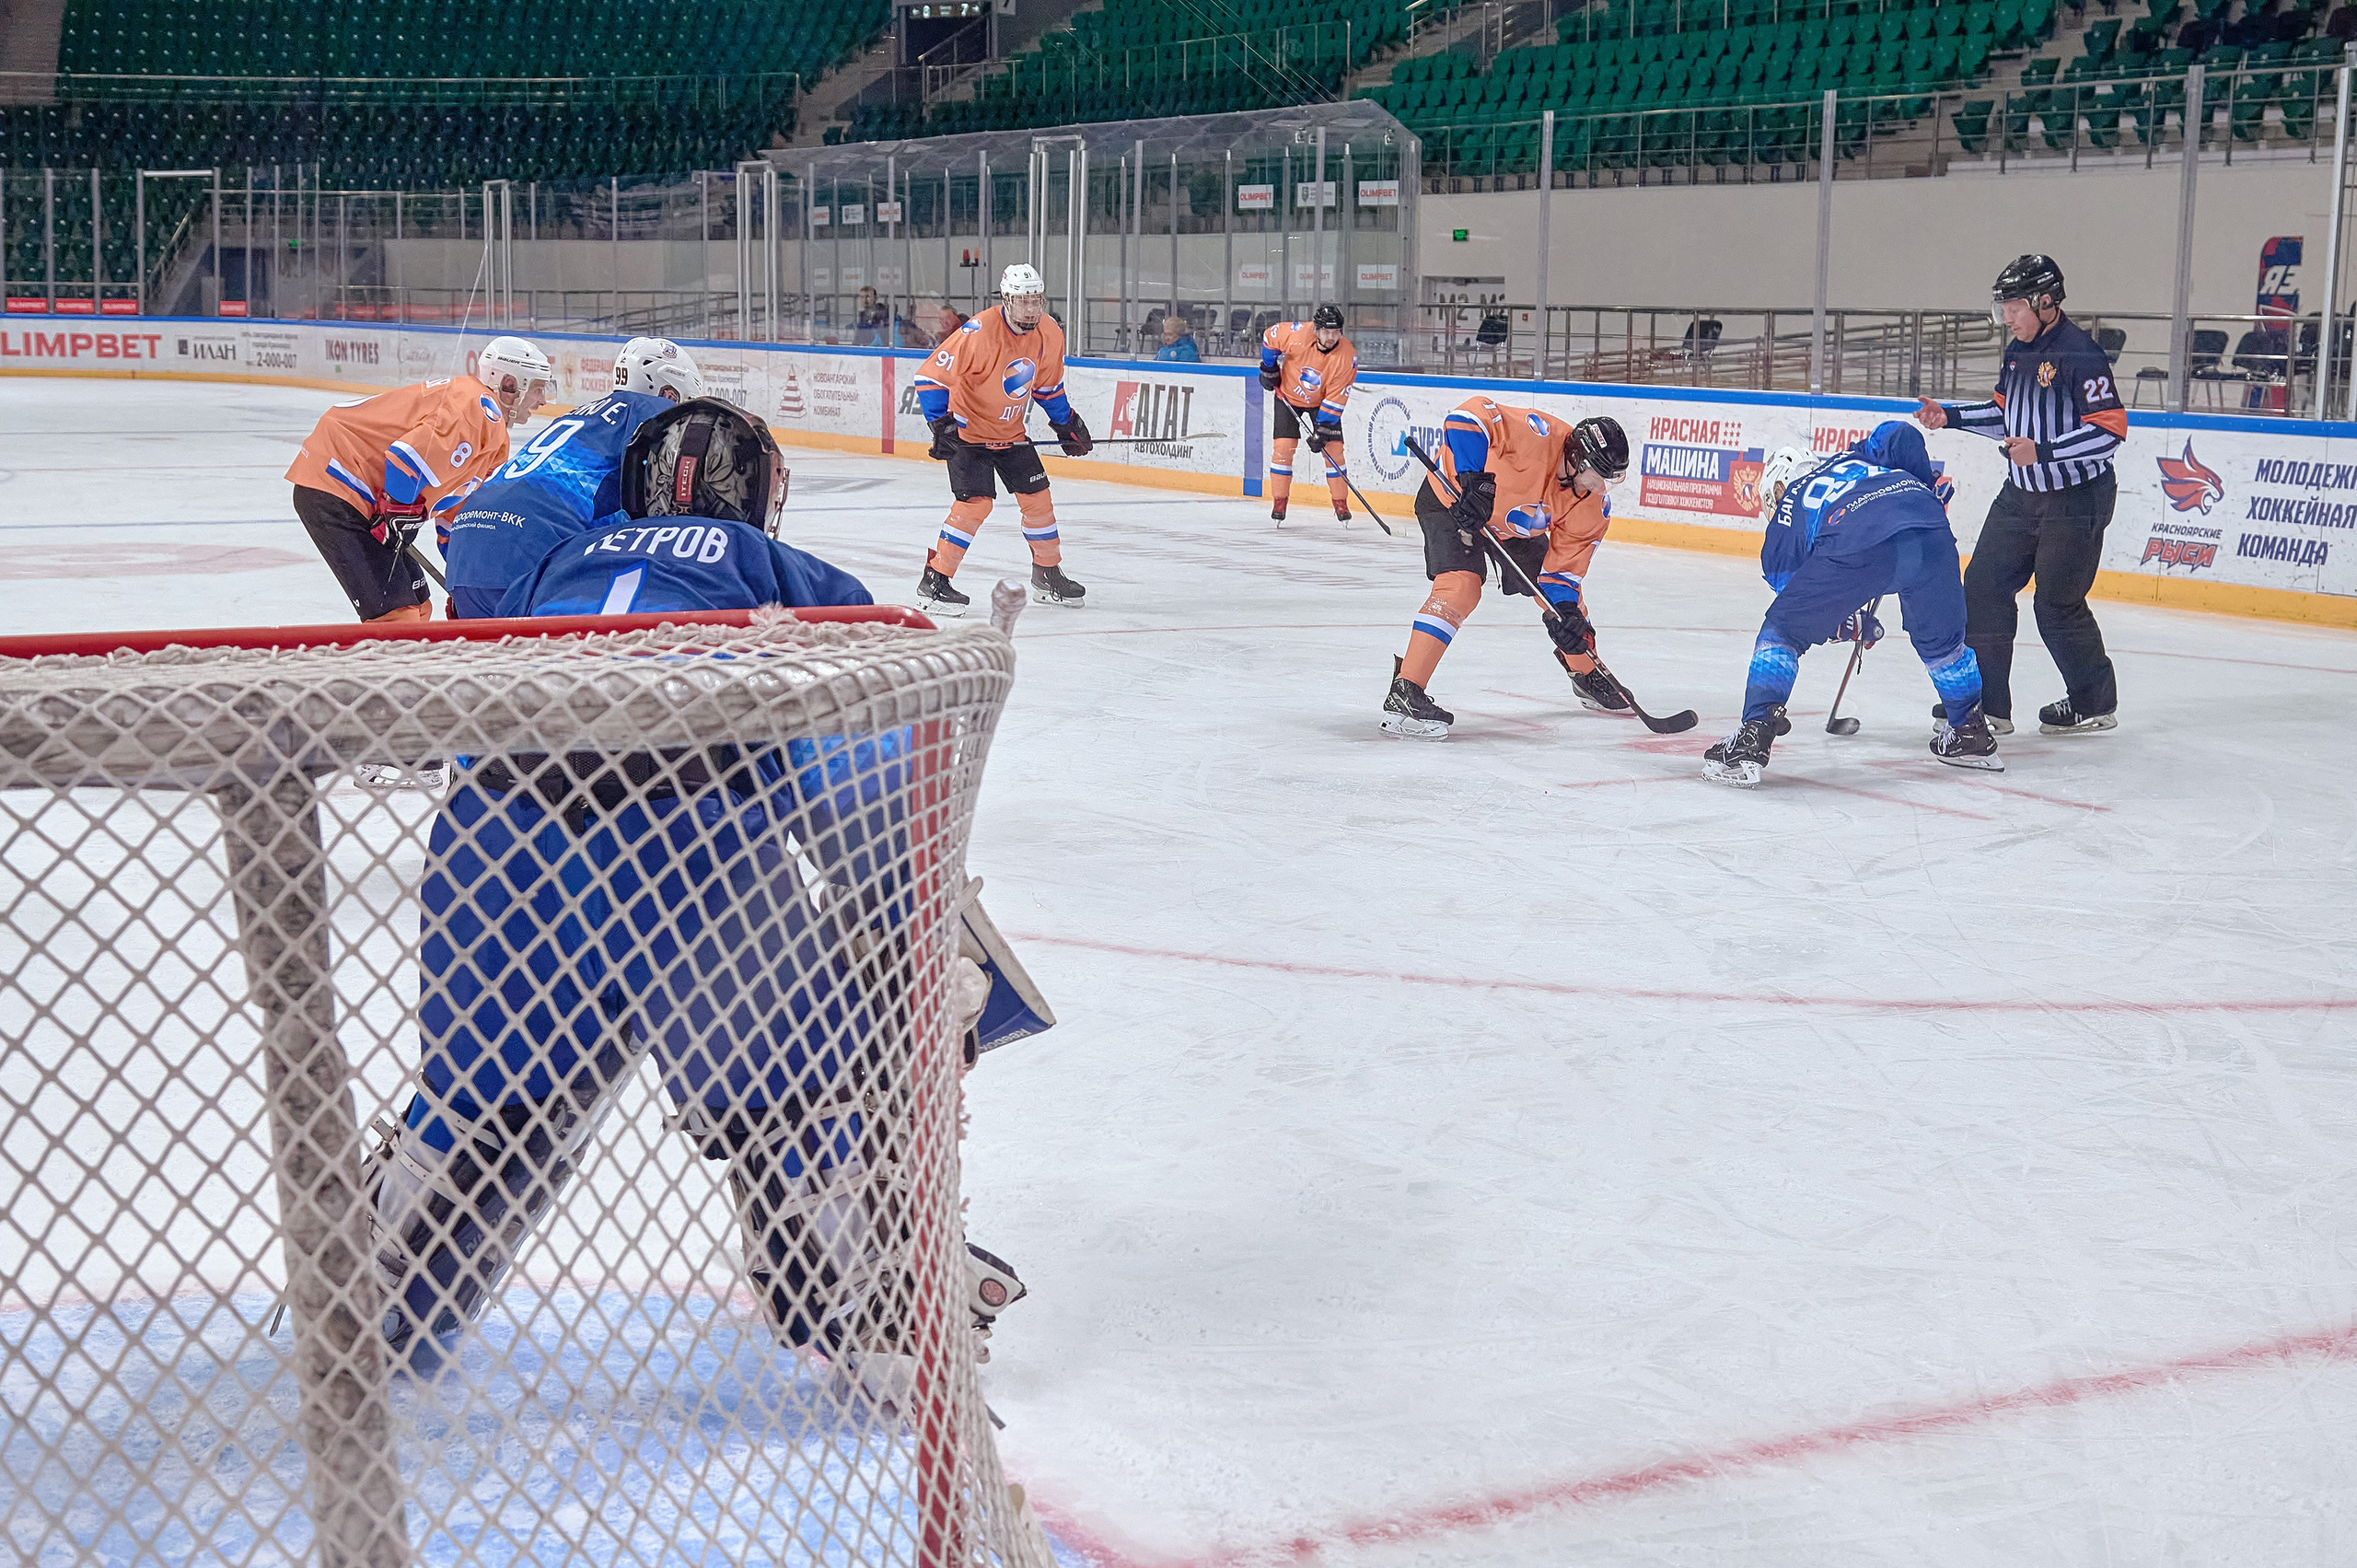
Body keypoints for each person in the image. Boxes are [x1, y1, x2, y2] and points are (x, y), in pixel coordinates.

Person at [373, 398, 1038, 1410]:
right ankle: (876, 1327)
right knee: (795, 1102)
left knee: (480, 1111)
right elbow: (860, 727)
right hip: (687, 839)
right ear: (757, 490)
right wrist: (910, 913)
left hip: (493, 837)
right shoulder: (768, 563)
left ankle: (374, 1310)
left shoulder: (556, 563)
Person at [1701, 423, 2001, 787]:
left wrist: (1849, 625)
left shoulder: (1787, 513)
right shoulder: (1853, 457)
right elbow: (1900, 435)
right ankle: (1969, 732)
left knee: (1781, 633)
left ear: (1778, 487)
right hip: (1929, 527)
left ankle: (1753, 735)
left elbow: (1804, 615)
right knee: (1943, 645)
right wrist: (1924, 483)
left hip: (1857, 543)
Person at [1914, 254, 2125, 736]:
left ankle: (2093, 702)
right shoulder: (2016, 352)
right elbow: (2003, 415)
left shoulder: (2081, 354)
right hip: (2021, 496)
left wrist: (2043, 451)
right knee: (1983, 587)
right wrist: (1950, 416)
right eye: (2003, 309)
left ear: (2045, 301)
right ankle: (1987, 705)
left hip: (2076, 499)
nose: (2007, 318)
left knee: (2056, 604)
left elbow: (2110, 430)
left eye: (2014, 308)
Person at [1381, 401, 1631, 740]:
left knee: (1563, 607)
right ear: (1577, 460)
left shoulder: (1591, 505)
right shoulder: (1535, 434)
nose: (1602, 487)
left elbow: (1561, 574)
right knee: (1461, 587)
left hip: (1514, 529)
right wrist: (1474, 480)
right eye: (1599, 476)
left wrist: (1567, 616)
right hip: (1453, 503)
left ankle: (1586, 672)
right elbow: (1465, 419)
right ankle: (1406, 689)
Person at [286, 335, 551, 621]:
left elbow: (455, 520)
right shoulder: (474, 406)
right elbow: (405, 460)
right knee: (398, 617)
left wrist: (464, 585)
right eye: (538, 389)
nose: (543, 401)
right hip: (338, 479)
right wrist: (400, 510)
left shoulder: (495, 438)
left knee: (420, 606)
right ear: (510, 384)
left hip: (362, 494)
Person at [440, 336, 703, 617]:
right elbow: (666, 500)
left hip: (465, 553)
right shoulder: (652, 411)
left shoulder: (578, 415)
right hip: (532, 554)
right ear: (669, 395)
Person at [912, 261, 1094, 612]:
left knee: (1038, 499)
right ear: (1007, 300)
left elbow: (1047, 387)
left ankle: (1047, 573)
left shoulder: (1050, 332)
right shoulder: (979, 331)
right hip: (968, 435)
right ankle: (935, 581)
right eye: (1023, 300)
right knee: (975, 505)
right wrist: (941, 424)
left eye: (1036, 300)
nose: (1031, 308)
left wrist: (1066, 424)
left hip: (1011, 434)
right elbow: (930, 377)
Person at [1260, 305, 1356, 523]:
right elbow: (1269, 337)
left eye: (1336, 332)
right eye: (1326, 332)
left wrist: (1322, 430)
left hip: (1321, 403)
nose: (1331, 337)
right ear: (1316, 330)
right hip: (1288, 396)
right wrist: (1269, 367)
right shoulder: (1298, 335)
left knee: (1334, 450)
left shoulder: (1347, 356)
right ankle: (1279, 501)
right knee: (1283, 448)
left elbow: (1336, 397)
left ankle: (1340, 503)